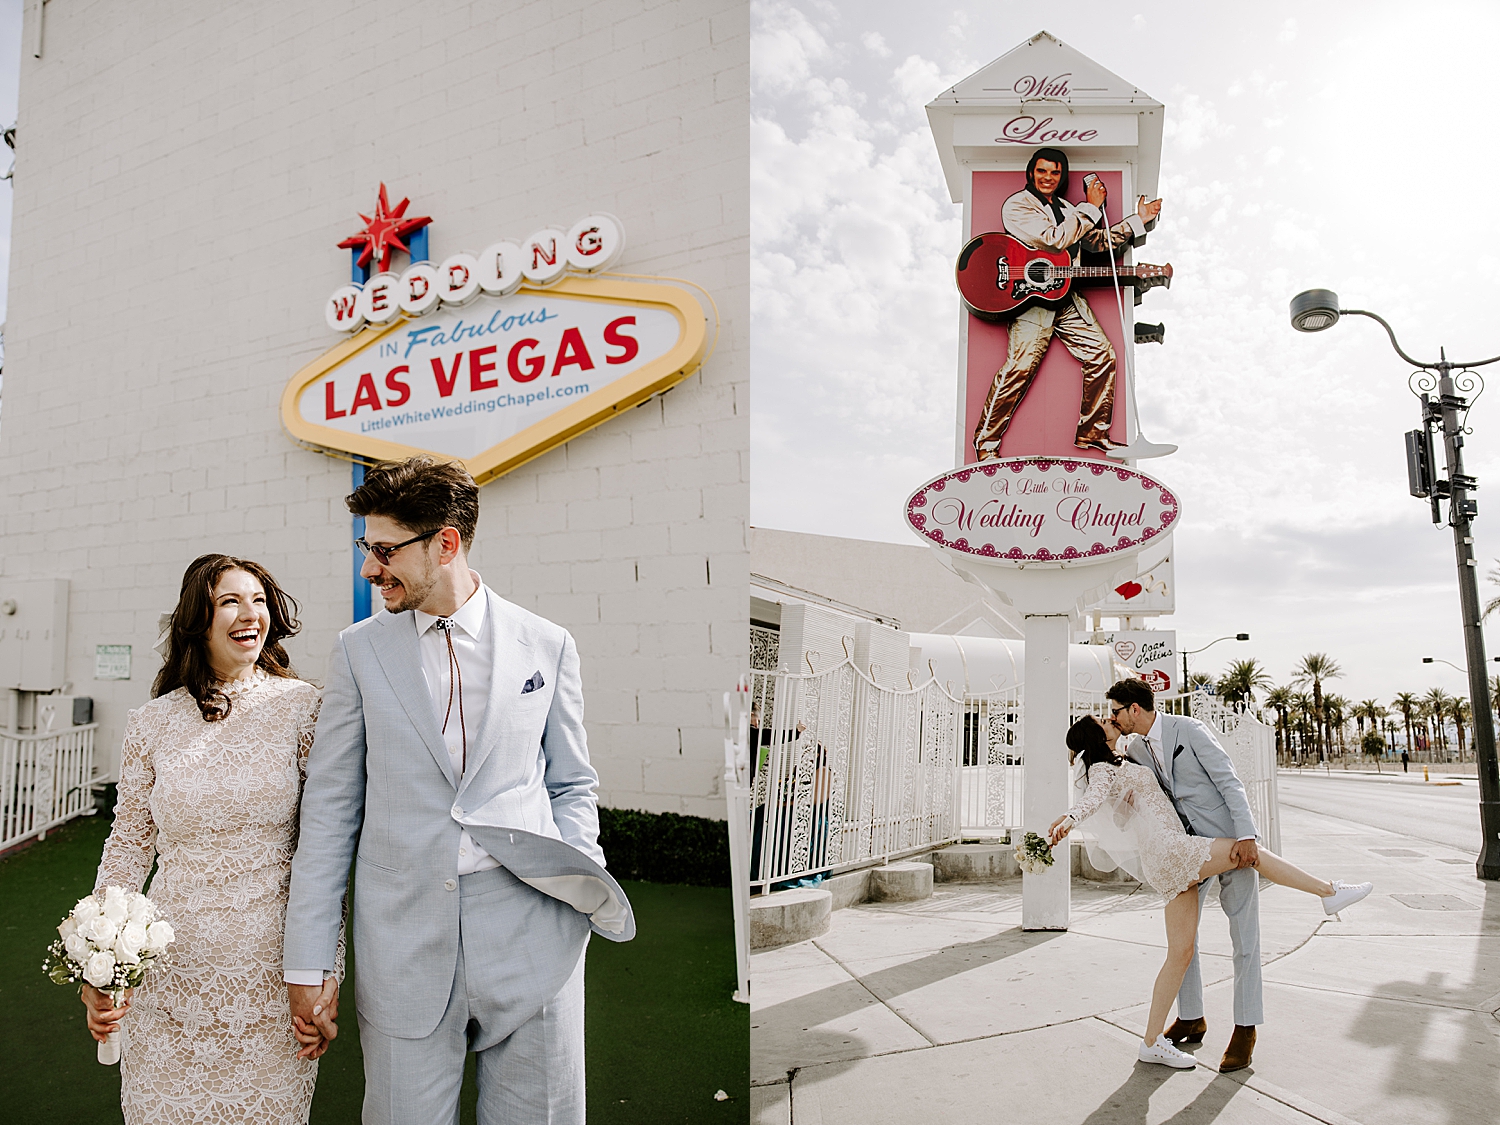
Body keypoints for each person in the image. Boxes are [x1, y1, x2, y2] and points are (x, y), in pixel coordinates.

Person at [283, 456, 634, 1125]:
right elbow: (329, 814)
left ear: (445, 542)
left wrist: (577, 892)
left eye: (384, 550)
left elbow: (571, 782)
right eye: (367, 547)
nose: (369, 568)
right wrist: (307, 957)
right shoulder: (359, 651)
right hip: (402, 944)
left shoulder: (548, 643)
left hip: (537, 932)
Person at [84, 554, 327, 1123]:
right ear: (200, 618)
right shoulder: (151, 722)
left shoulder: (303, 708)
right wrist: (101, 965)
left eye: (260, 600)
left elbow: (322, 850)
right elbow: (127, 847)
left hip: (267, 981)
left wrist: (322, 966)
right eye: (230, 601)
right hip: (167, 978)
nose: (251, 615)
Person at [1050, 695, 1373, 1072]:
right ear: (1100, 734)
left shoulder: (1153, 743)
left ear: (1133, 709)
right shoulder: (1113, 763)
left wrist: (1124, 804)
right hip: (1178, 851)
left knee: (1184, 951)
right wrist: (1071, 818)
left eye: (1114, 713)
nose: (1111, 720)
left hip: (1180, 853)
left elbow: (1226, 780)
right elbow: (1093, 800)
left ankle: (1162, 1039)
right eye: (1105, 719)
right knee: (1250, 855)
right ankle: (1330, 892)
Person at [973, 146, 1163, 460]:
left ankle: (1093, 432)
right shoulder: (1017, 205)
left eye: (1055, 172)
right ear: (1031, 172)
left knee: (1103, 355)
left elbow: (1097, 243)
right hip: (1029, 297)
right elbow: (1053, 239)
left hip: (1064, 295)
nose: (1048, 177)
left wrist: (1137, 221)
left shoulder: (1068, 208)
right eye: (1042, 170)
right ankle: (986, 444)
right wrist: (1090, 207)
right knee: (1019, 370)